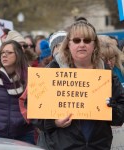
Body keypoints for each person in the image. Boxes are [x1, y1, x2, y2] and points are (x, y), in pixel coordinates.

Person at [31, 19, 124, 149]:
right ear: (68, 44)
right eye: (76, 40)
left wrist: (112, 110)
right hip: (62, 146)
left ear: (94, 45)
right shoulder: (52, 70)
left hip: (98, 146)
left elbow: (121, 108)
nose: (82, 44)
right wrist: (54, 122)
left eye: (87, 40)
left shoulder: (106, 72)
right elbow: (34, 111)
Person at [0, 40, 36, 144]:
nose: (4, 55)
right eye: (2, 53)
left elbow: (37, 105)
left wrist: (27, 120)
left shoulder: (31, 76)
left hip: (25, 134)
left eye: (9, 52)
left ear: (18, 54)